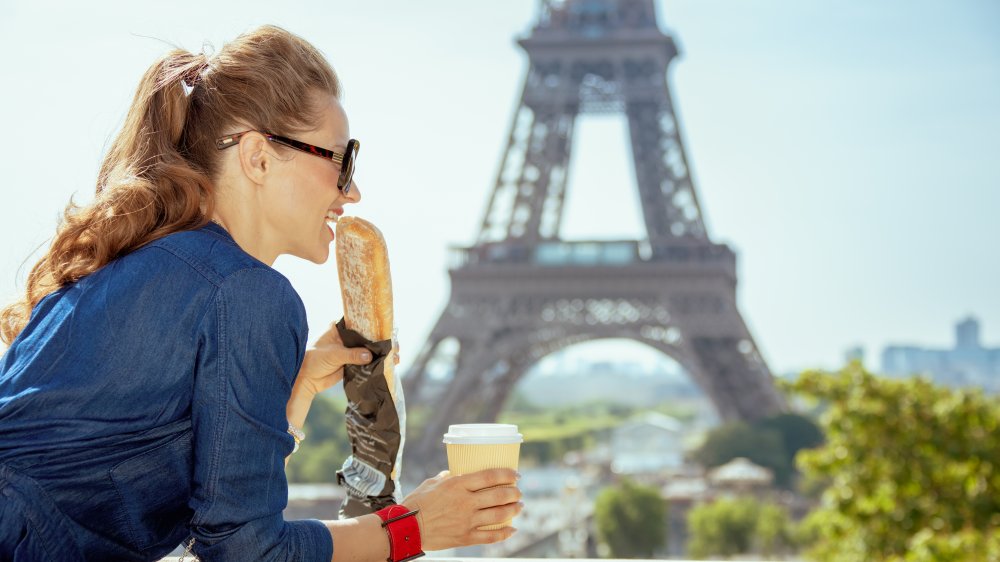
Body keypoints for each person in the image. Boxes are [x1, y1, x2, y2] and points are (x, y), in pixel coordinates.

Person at [0, 25, 522, 562]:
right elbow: (246, 551)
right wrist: (413, 527)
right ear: (258, 157)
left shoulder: (141, 267)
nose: (352, 190)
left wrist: (291, 395)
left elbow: (190, 510)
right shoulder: (249, 293)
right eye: (341, 159)